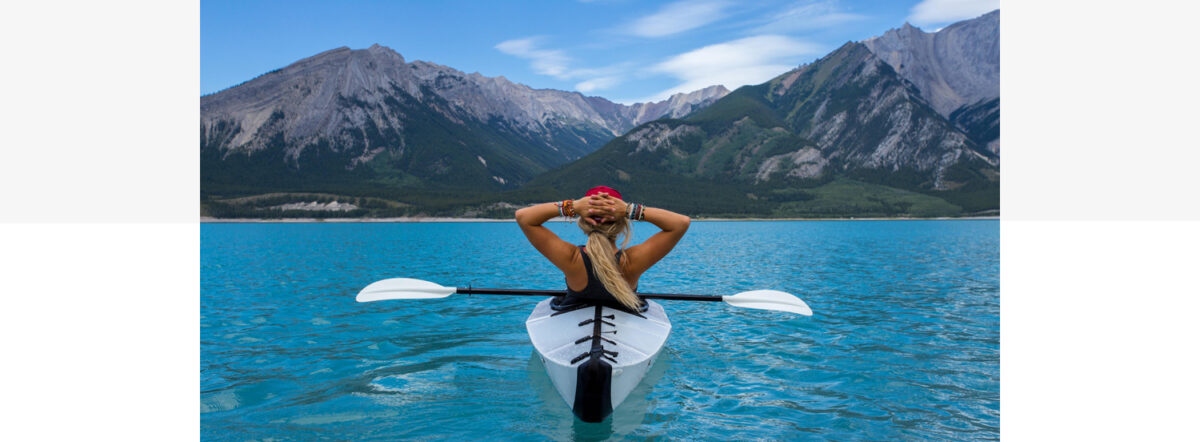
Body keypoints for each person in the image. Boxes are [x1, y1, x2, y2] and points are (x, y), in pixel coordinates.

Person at [514, 186, 690, 312]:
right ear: (622, 223)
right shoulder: (632, 261)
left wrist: (573, 206)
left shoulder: (571, 258)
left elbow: (523, 217)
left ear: (583, 222)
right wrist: (630, 209)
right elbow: (680, 223)